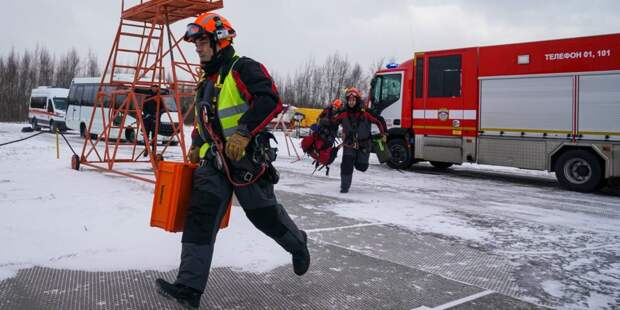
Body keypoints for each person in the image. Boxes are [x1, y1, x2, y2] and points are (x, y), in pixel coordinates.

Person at [155, 12, 310, 309]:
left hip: (246, 163)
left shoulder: (243, 68)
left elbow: (269, 99)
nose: (197, 48)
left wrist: (243, 133)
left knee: (262, 216)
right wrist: (197, 145)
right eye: (195, 42)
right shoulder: (206, 81)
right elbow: (204, 121)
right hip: (214, 164)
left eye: (202, 41)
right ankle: (188, 289)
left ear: (220, 40)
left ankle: (297, 243)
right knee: (199, 218)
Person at [334, 87, 387, 193]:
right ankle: (344, 187)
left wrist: (384, 134)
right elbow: (332, 123)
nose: (351, 102)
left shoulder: (366, 112)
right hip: (349, 144)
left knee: (362, 167)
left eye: (353, 100)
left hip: (364, 144)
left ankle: (356, 161)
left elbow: (379, 121)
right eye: (349, 100)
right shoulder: (343, 113)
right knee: (346, 164)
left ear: (357, 100)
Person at [142, 84, 161, 155]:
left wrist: (157, 114)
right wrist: (147, 114)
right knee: (146, 135)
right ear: (151, 88)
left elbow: (162, 108)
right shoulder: (147, 96)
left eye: (156, 87)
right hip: (147, 119)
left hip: (155, 119)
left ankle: (153, 150)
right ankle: (146, 149)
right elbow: (143, 107)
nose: (155, 88)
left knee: (154, 136)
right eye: (154, 87)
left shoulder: (160, 97)